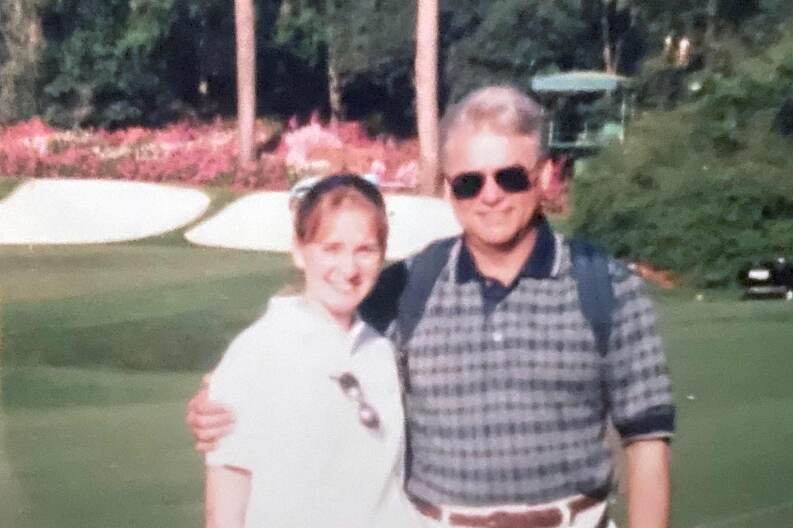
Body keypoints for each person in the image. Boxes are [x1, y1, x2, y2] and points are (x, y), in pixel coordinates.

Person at [188, 86, 675, 528]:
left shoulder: (606, 286)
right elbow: (318, 323)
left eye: (510, 177)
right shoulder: (408, 286)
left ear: (545, 175)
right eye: (469, 183)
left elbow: (647, 443)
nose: (490, 196)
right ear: (448, 189)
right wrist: (225, 391)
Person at [203, 174, 421, 527]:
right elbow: (228, 488)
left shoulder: (379, 350)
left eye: (365, 250)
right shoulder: (258, 350)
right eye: (331, 248)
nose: (349, 269)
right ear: (299, 250)